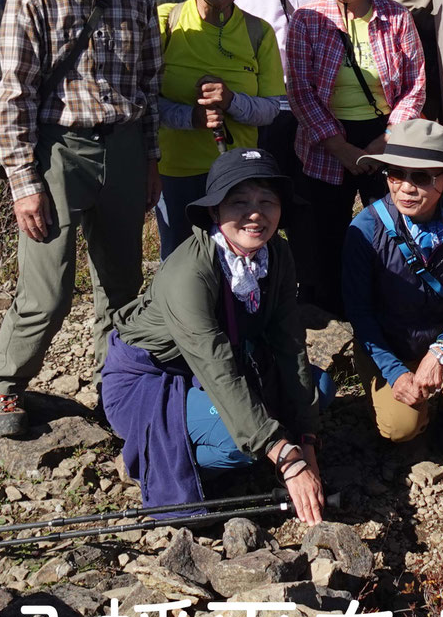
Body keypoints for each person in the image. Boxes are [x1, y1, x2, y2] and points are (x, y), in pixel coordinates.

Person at [0, 0, 161, 439]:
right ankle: (5, 383)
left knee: (121, 283)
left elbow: (148, 84)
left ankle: (117, 390)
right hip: (60, 150)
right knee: (50, 285)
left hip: (127, 146)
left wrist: (151, 160)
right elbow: (15, 94)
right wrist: (23, 181)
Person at [100, 149, 330, 521]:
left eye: (266, 202)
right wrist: (286, 457)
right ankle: (157, 454)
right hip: (152, 378)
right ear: (214, 211)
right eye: (239, 202)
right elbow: (216, 365)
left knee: (320, 389)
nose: (255, 214)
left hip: (226, 364)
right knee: (239, 443)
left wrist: (306, 441)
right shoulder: (188, 272)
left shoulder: (278, 256)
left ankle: (248, 439)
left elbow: (290, 344)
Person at [284, 0, 428, 315]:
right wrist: (341, 147)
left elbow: (415, 84)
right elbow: (300, 91)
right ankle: (333, 306)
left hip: (385, 135)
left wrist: (385, 142)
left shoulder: (396, 17)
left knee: (392, 225)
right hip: (326, 138)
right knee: (326, 227)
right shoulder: (307, 20)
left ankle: (391, 299)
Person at [341, 120, 443, 466]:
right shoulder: (365, 230)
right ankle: (416, 408)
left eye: (423, 177)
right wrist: (394, 371)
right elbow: (359, 313)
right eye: (396, 174)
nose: (407, 188)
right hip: (388, 343)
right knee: (400, 430)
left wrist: (440, 351)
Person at [153, 0, 283, 258]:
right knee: (180, 259)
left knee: (236, 257)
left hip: (237, 173)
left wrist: (231, 101)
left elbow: (270, 108)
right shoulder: (166, 23)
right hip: (177, 171)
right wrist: (190, 117)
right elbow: (143, 101)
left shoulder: (258, 33)